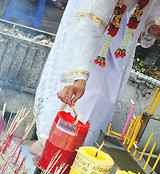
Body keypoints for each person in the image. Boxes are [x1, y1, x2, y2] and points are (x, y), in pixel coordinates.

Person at [30, 0, 160, 155]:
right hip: (92, 22)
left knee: (107, 93)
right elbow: (87, 26)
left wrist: (153, 25)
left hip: (120, 28)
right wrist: (80, 77)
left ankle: (78, 149)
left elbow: (152, 8)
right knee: (88, 90)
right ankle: (48, 143)